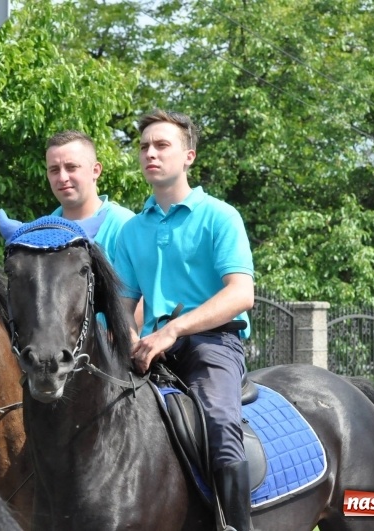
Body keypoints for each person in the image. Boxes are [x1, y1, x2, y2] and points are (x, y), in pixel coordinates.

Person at [113, 110, 255, 531]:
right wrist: (130, 339)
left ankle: (235, 525)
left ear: (189, 156)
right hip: (150, 350)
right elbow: (122, 305)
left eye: (162, 145)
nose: (150, 153)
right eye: (144, 147)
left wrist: (173, 329)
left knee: (219, 421)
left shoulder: (220, 216)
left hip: (213, 345)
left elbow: (241, 294)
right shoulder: (131, 231)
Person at [45, 130, 134, 263]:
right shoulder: (43, 230)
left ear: (95, 171)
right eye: (54, 170)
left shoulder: (125, 226)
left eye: (71, 167)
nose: (62, 178)